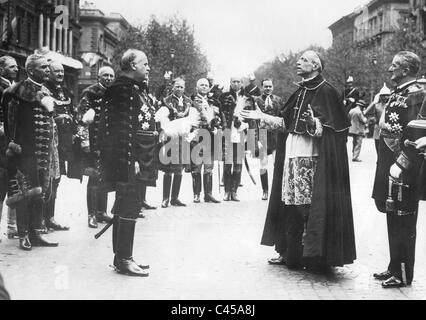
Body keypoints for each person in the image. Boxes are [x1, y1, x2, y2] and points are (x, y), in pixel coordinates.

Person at [241, 50, 356, 271]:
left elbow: (332, 130)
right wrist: (261, 117)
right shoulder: (300, 91)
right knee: (291, 205)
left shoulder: (326, 91)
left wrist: (314, 124)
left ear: (315, 65)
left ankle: (312, 255)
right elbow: (287, 123)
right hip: (291, 156)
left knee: (308, 207)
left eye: (303, 60)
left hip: (312, 158)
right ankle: (291, 253)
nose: (298, 62)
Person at [372, 51, 426, 288]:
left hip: (405, 169)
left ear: (405, 70)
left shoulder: (416, 95)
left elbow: (416, 135)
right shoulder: (399, 92)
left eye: (394, 66)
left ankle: (403, 274)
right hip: (390, 165)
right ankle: (394, 266)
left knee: (404, 219)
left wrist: (401, 164)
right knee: (392, 216)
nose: (390, 69)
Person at [99, 49, 155, 277]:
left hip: (140, 157)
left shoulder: (134, 89)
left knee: (128, 204)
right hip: (129, 158)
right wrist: (129, 161)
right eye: (145, 63)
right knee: (129, 203)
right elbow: (120, 131)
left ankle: (122, 256)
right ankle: (124, 259)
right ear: (132, 65)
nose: (148, 67)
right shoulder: (121, 90)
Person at [2, 54, 59, 250]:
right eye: (43, 67)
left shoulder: (45, 90)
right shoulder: (16, 91)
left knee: (40, 193)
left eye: (47, 67)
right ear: (31, 70)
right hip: (23, 153)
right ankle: (23, 235)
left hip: (42, 153)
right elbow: (11, 123)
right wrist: (14, 147)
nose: (47, 70)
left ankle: (37, 232)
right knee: (24, 194)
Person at [78, 66, 115, 228]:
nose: (108, 78)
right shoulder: (90, 92)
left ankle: (102, 212)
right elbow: (82, 118)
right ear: (99, 77)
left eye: (111, 76)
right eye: (105, 75)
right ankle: (91, 215)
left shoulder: (114, 92)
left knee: (105, 177)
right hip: (93, 142)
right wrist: (85, 143)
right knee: (94, 177)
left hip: (109, 143)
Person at [43, 61, 76, 231]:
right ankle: (41, 219)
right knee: (45, 181)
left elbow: (73, 112)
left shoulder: (65, 92)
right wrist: (60, 119)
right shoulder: (43, 90)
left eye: (62, 71)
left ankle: (50, 217)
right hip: (48, 140)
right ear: (48, 73)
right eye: (57, 71)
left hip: (63, 142)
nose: (61, 74)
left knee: (56, 180)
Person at [156, 77, 192, 208]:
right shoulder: (166, 101)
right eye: (177, 86)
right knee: (168, 168)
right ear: (173, 87)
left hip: (183, 138)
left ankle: (174, 198)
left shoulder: (188, 102)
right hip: (171, 137)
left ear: (184, 88)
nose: (179, 89)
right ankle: (165, 198)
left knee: (179, 168)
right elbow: (161, 118)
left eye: (182, 87)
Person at [188, 78, 222, 204]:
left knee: (208, 167)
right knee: (196, 167)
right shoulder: (192, 102)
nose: (204, 87)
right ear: (197, 87)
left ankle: (208, 194)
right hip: (197, 135)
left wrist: (217, 126)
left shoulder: (213, 102)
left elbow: (217, 117)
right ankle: (196, 194)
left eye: (206, 85)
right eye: (201, 85)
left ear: (209, 87)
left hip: (210, 136)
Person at [219, 77, 250, 202]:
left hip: (241, 133)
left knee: (238, 164)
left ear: (242, 84)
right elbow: (219, 114)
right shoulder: (223, 97)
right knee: (227, 163)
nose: (236, 84)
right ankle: (226, 191)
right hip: (227, 133)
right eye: (234, 82)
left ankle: (234, 191)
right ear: (230, 83)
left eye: (238, 82)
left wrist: (243, 124)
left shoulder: (248, 98)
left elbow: (251, 118)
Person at [255, 79, 283, 200]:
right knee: (263, 164)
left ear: (273, 87)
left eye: (270, 86)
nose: (268, 89)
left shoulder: (278, 100)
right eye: (265, 86)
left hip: (276, 136)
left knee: (278, 164)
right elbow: (253, 120)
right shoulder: (256, 100)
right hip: (262, 135)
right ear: (261, 87)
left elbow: (282, 118)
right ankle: (265, 190)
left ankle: (277, 190)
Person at [0, 55, 18, 240]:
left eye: (16, 66)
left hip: (14, 141)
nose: (15, 69)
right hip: (2, 143)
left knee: (14, 182)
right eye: (11, 66)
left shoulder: (15, 87)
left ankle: (12, 226)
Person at [364, 84, 391, 155]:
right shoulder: (377, 105)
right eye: (384, 95)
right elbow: (365, 112)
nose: (386, 97)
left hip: (388, 130)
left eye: (387, 95)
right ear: (380, 96)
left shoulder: (390, 105)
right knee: (378, 152)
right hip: (378, 131)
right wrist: (373, 102)